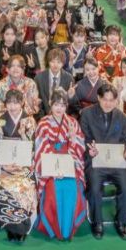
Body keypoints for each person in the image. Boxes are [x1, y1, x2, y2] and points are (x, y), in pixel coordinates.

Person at [31, 90, 87, 241]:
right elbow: (41, 148)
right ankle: (53, 227)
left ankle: (68, 228)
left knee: (72, 187)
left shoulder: (72, 122)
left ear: (66, 106)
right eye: (56, 104)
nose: (59, 108)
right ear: (50, 104)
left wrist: (73, 139)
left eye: (62, 105)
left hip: (69, 160)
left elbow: (80, 147)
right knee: (52, 188)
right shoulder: (43, 123)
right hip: (49, 163)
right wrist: (54, 169)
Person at [80, 83, 126, 240]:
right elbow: (83, 138)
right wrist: (88, 150)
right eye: (105, 99)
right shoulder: (87, 114)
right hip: (96, 160)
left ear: (116, 100)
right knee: (94, 188)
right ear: (98, 98)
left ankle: (121, 221)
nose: (108, 103)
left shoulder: (122, 118)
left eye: (111, 100)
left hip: (117, 161)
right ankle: (97, 221)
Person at [0, 88, 38, 244]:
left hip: (24, 165)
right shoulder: (0, 121)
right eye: (9, 103)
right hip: (6, 165)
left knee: (24, 187)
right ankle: (10, 227)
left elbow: (33, 146)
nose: (12, 107)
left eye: (16, 103)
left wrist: (23, 134)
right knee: (5, 188)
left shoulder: (29, 121)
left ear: (22, 103)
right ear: (5, 104)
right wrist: (3, 165)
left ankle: (22, 227)